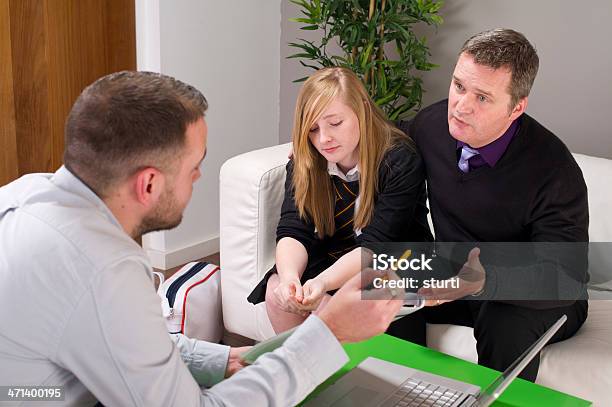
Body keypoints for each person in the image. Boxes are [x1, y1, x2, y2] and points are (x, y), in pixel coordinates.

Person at [0, 71, 404, 406]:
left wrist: (223, 357)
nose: (198, 178)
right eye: (194, 167)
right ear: (149, 184)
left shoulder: (24, 193)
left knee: (455, 273)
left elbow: (127, 346)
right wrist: (328, 331)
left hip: (421, 264)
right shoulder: (104, 271)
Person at [390, 28, 589, 382]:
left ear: (516, 107)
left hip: (534, 296)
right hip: (455, 274)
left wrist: (485, 282)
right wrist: (319, 140)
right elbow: (384, 138)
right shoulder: (434, 124)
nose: (462, 105)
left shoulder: (554, 171)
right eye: (459, 86)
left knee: (502, 320)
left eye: (482, 97)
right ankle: (397, 395)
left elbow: (565, 278)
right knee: (386, 285)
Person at [247, 67, 432, 333]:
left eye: (335, 123)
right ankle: (302, 372)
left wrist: (322, 283)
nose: (324, 139)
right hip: (339, 251)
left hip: (394, 259)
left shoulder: (398, 160)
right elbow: (293, 228)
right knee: (278, 291)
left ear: (362, 111)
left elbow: (376, 246)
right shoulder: (307, 159)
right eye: (312, 129)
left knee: (353, 303)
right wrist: (290, 279)